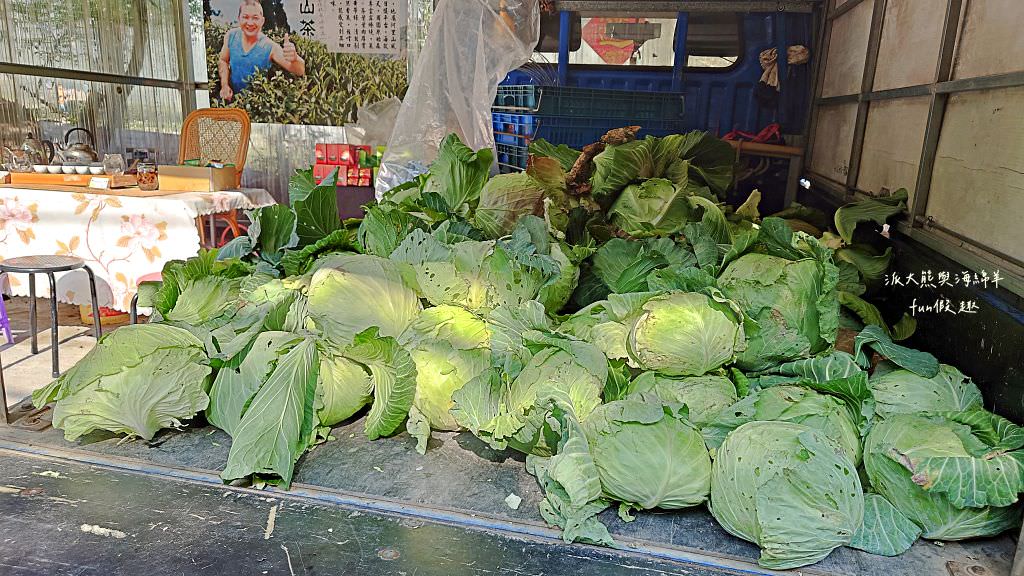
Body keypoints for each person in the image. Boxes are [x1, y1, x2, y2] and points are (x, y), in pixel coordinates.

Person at [218, 0, 305, 101]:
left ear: (262, 21)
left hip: (257, 105)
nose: (250, 23)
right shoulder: (231, 36)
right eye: (245, 17)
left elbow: (300, 70)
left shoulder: (269, 46)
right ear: (239, 19)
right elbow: (223, 60)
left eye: (255, 18)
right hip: (231, 101)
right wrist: (224, 85)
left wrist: (294, 59)